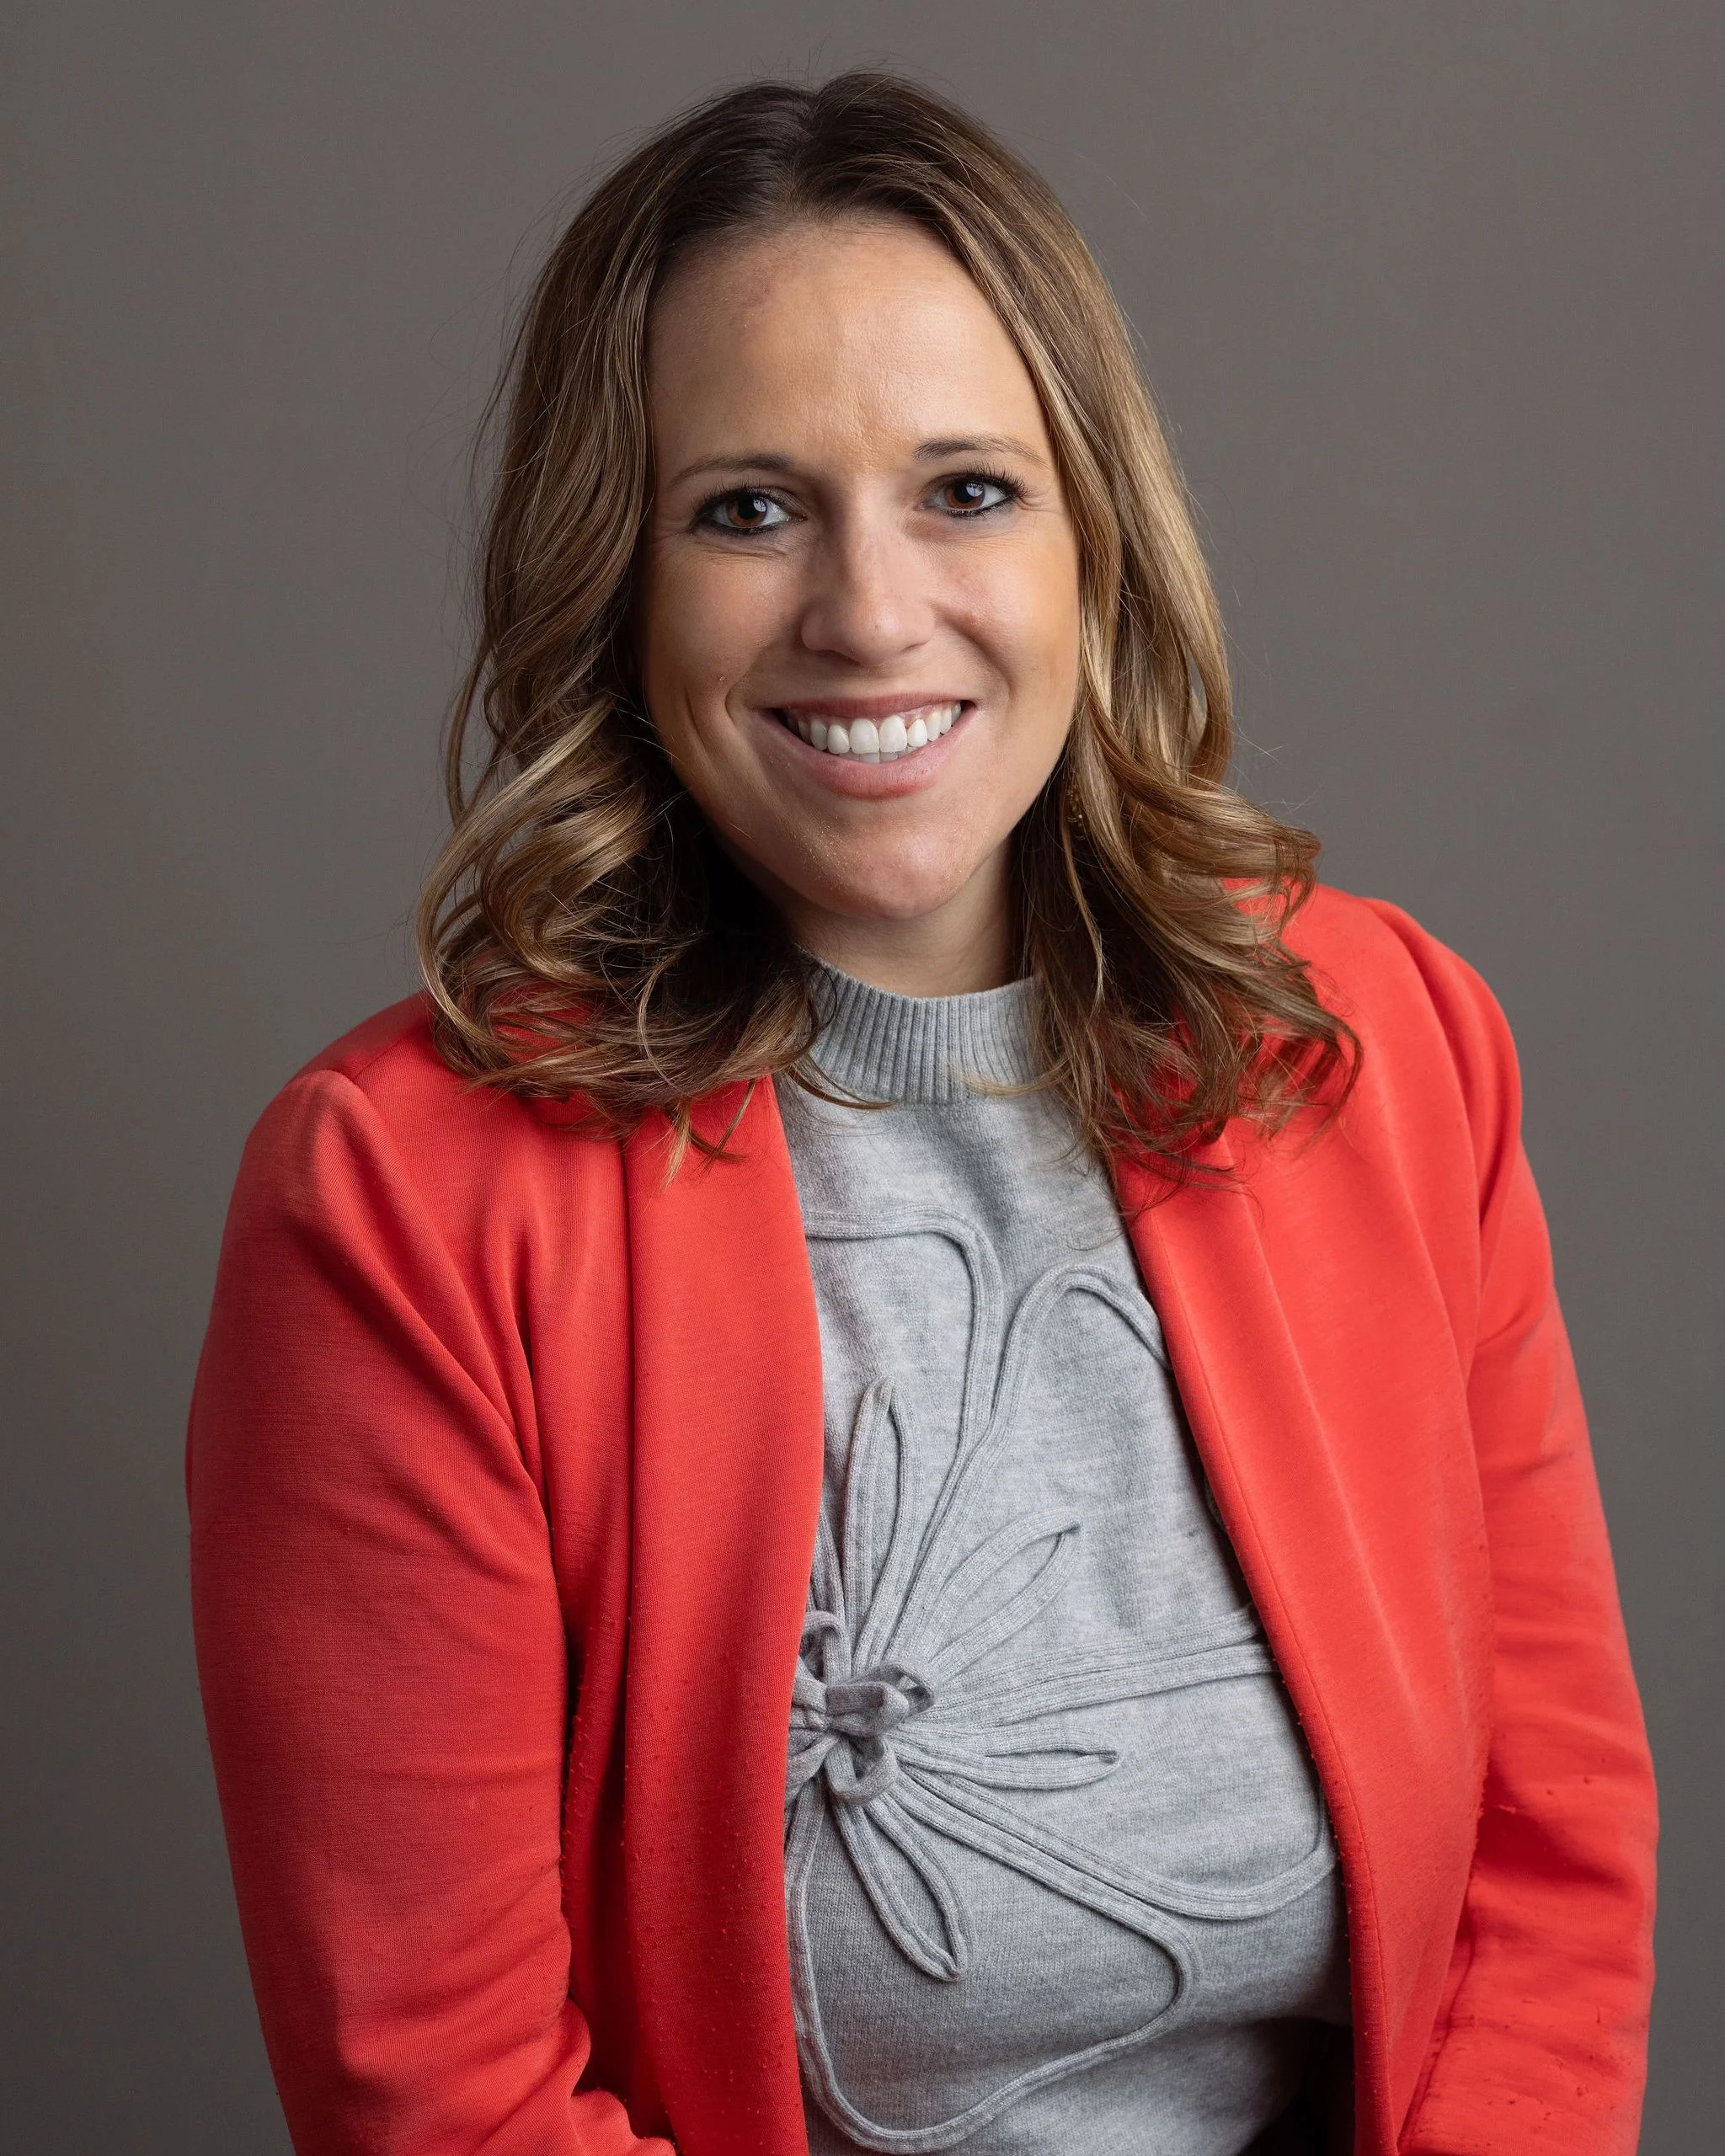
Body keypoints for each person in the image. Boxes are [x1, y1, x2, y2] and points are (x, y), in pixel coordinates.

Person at [187, 72, 1656, 2156]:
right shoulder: (398, 1203)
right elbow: (443, 2086)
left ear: (1092, 540)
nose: (870, 613)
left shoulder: (1392, 1048)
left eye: (965, 488)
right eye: (748, 507)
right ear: (615, 579)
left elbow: (1549, 1845)